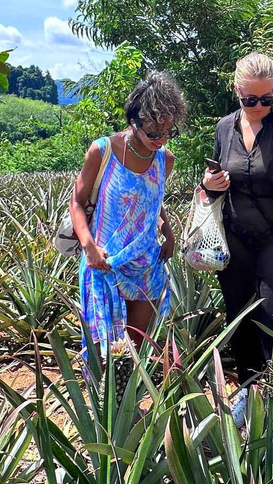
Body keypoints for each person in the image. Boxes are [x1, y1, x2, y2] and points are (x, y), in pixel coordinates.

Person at [202, 52, 273, 426]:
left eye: (266, 100)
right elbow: (216, 182)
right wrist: (210, 185)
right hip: (235, 236)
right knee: (239, 316)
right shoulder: (224, 128)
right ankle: (250, 392)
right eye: (249, 100)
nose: (258, 107)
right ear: (236, 92)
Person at [70, 72, 186, 361]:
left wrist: (168, 231)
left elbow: (151, 201)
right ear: (134, 122)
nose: (161, 140)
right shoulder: (103, 150)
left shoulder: (165, 160)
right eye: (154, 133)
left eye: (168, 132)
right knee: (103, 349)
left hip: (145, 262)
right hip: (103, 260)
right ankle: (103, 405)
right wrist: (89, 247)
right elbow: (77, 201)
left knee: (136, 347)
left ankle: (130, 406)